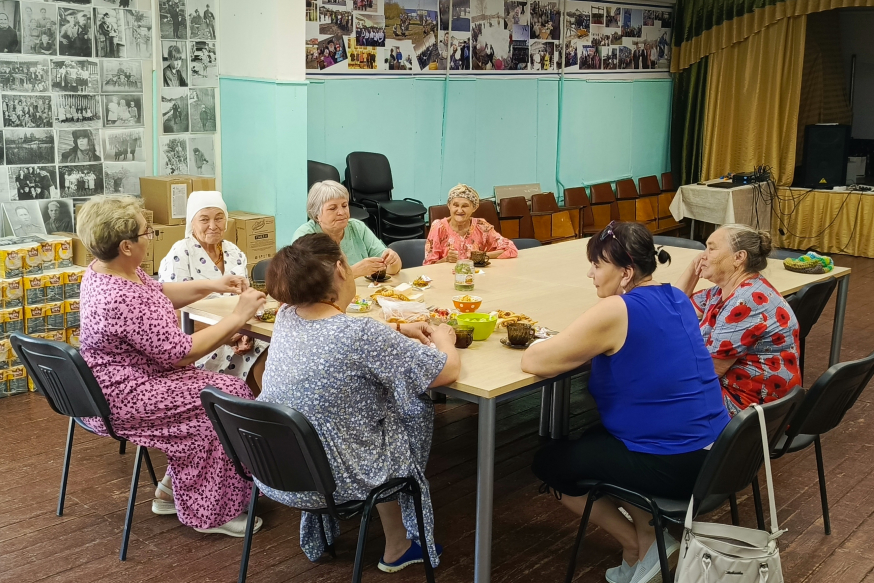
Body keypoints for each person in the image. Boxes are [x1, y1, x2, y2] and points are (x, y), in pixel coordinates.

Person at [522, 221, 730, 583]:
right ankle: (650, 536)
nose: (590, 274)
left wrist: (541, 342)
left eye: (598, 265)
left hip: (677, 463)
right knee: (592, 441)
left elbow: (534, 363)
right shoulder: (678, 297)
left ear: (626, 272)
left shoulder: (616, 310)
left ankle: (637, 543)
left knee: (550, 462)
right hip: (720, 452)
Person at [257, 234, 460, 569]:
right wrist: (443, 338)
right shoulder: (361, 335)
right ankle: (398, 542)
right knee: (411, 407)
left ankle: (387, 537)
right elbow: (447, 371)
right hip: (335, 478)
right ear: (341, 268)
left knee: (362, 410)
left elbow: (346, 336)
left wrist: (395, 328)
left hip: (279, 469)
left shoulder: (286, 317)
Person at [76, 196, 268, 537]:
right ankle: (213, 512)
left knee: (225, 392)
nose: (150, 236)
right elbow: (181, 354)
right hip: (125, 396)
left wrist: (213, 284)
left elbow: (160, 291)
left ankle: (171, 490)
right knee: (225, 399)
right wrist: (239, 316)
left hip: (124, 381)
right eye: (145, 232)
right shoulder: (122, 296)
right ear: (125, 245)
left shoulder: (107, 271)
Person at [676, 224, 801, 417]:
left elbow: (707, 373)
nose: (703, 256)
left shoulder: (745, 302)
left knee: (648, 390)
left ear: (739, 258)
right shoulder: (723, 291)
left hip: (751, 410)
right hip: (745, 397)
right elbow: (674, 310)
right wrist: (694, 269)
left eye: (711, 248)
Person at [158, 191, 269, 392]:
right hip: (200, 340)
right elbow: (172, 315)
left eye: (219, 218)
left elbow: (245, 298)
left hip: (238, 330)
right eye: (204, 219)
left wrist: (243, 333)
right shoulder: (180, 253)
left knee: (267, 348)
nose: (213, 225)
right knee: (261, 355)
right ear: (192, 222)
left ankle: (258, 411)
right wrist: (226, 332)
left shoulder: (234, 252)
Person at [292, 180, 403, 278]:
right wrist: (353, 272)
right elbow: (308, 282)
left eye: (344, 206)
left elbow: (388, 267)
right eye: (332, 208)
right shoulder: (305, 236)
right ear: (317, 215)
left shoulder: (357, 227)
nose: (341, 212)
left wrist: (394, 263)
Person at [424, 184, 518, 264]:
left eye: (465, 206)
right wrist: (446, 260)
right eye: (455, 205)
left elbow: (510, 249)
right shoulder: (438, 227)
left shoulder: (481, 226)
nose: (459, 210)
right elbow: (429, 266)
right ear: (449, 206)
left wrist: (479, 256)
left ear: (474, 208)